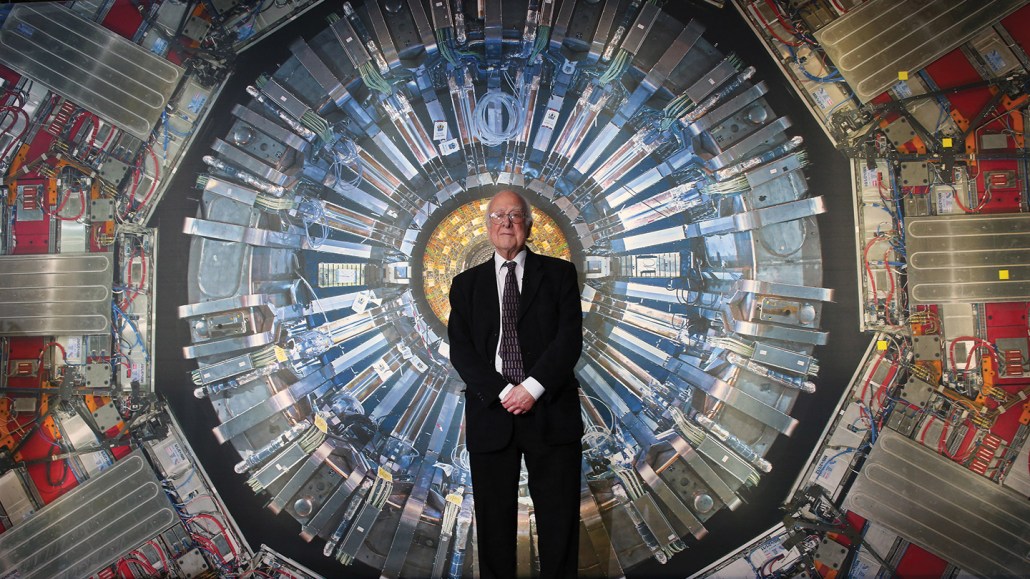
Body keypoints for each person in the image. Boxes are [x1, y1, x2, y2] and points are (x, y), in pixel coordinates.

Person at [448, 190, 584, 578]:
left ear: (529, 225)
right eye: (498, 216)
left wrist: (532, 388)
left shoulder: (559, 275)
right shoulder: (465, 285)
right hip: (492, 414)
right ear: (487, 226)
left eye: (515, 216)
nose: (506, 223)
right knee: (493, 528)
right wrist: (505, 392)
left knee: (559, 523)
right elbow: (461, 351)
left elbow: (569, 340)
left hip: (551, 412)